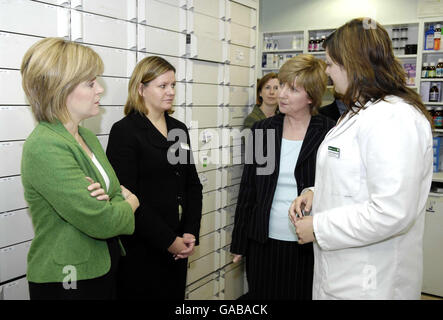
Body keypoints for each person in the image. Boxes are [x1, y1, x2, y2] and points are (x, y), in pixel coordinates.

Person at [289, 18, 433, 300]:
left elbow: (391, 211)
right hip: (344, 273)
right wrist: (316, 194)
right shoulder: (360, 113)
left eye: (330, 63)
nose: (327, 72)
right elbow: (359, 180)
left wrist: (318, 226)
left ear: (352, 63)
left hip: (372, 281)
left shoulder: (393, 118)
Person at [20, 37, 140, 300]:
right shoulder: (45, 146)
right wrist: (131, 203)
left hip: (102, 267)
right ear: (59, 89)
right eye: (90, 83)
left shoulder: (87, 137)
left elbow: (113, 194)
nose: (100, 90)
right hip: (69, 280)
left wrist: (112, 201)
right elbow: (103, 221)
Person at [230, 54, 336, 300]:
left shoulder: (329, 132)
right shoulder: (262, 129)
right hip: (263, 240)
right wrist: (239, 242)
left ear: (310, 96)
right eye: (282, 85)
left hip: (307, 243)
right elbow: (249, 188)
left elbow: (333, 188)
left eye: (293, 89)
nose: (282, 93)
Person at [106, 56, 203, 300]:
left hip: (178, 245)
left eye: (173, 85)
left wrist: (190, 231)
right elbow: (127, 197)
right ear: (141, 89)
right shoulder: (125, 131)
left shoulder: (178, 128)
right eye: (163, 86)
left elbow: (192, 184)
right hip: (142, 248)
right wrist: (169, 240)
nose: (171, 92)